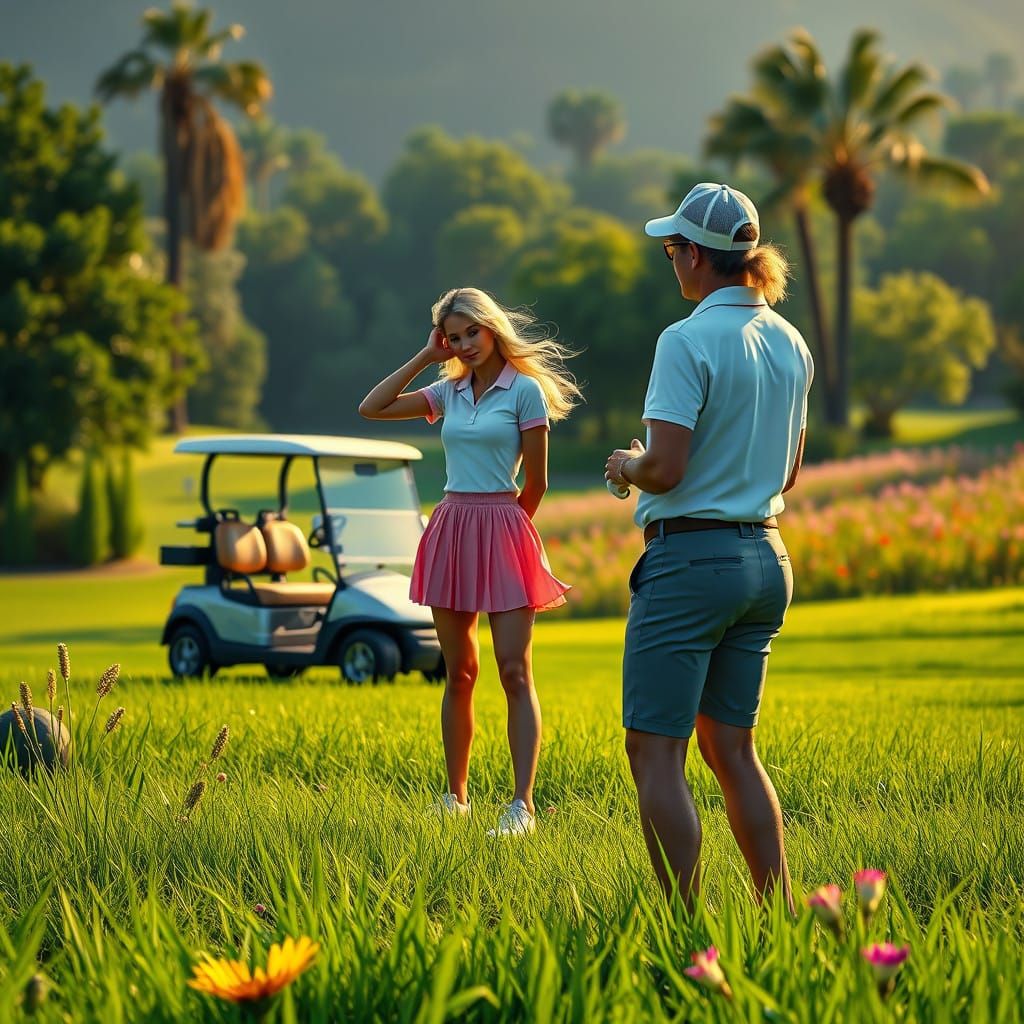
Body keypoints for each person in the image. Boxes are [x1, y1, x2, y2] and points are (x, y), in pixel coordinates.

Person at [604, 183, 813, 910]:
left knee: (654, 751)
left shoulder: (685, 338)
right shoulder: (790, 342)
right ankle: (778, 911)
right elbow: (788, 469)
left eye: (671, 250)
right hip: (766, 558)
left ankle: (685, 926)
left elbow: (664, 468)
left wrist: (627, 466)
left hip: (691, 562)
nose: (671, 262)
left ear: (695, 255)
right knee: (734, 749)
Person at [360, 287, 579, 836]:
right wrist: (426, 358)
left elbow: (538, 482)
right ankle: (455, 797)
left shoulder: (524, 392)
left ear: (492, 328)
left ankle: (521, 806)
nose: (464, 344)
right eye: (453, 337)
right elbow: (373, 407)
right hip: (452, 528)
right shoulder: (448, 391)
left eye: (470, 333)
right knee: (459, 672)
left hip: (504, 527)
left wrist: (508, 530)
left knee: (513, 669)